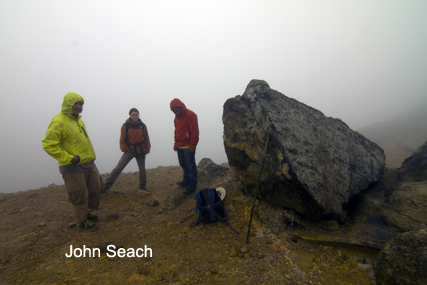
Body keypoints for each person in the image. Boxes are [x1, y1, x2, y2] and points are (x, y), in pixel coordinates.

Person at [42, 92, 102, 230]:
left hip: (88, 162)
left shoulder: (78, 120)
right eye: (76, 104)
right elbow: (48, 145)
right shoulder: (59, 121)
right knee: (79, 194)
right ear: (68, 104)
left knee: (95, 188)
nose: (79, 107)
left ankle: (86, 211)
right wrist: (70, 158)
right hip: (73, 166)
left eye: (81, 104)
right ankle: (81, 221)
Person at [104, 108, 151, 192]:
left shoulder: (143, 125)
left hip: (140, 150)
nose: (135, 116)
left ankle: (142, 188)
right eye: (133, 115)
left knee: (142, 170)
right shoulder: (125, 125)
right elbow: (122, 139)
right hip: (130, 150)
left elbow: (146, 138)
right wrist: (124, 148)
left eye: (136, 115)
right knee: (119, 168)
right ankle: (106, 186)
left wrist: (147, 148)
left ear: (138, 115)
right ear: (130, 115)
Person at [170, 98, 199, 194]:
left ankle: (192, 184)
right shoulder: (176, 118)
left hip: (188, 146)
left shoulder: (191, 115)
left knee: (190, 165)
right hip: (179, 146)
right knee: (183, 164)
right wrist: (175, 143)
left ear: (181, 107)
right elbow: (177, 131)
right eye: (173, 111)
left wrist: (192, 145)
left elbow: (195, 131)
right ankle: (186, 180)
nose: (175, 113)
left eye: (176, 110)